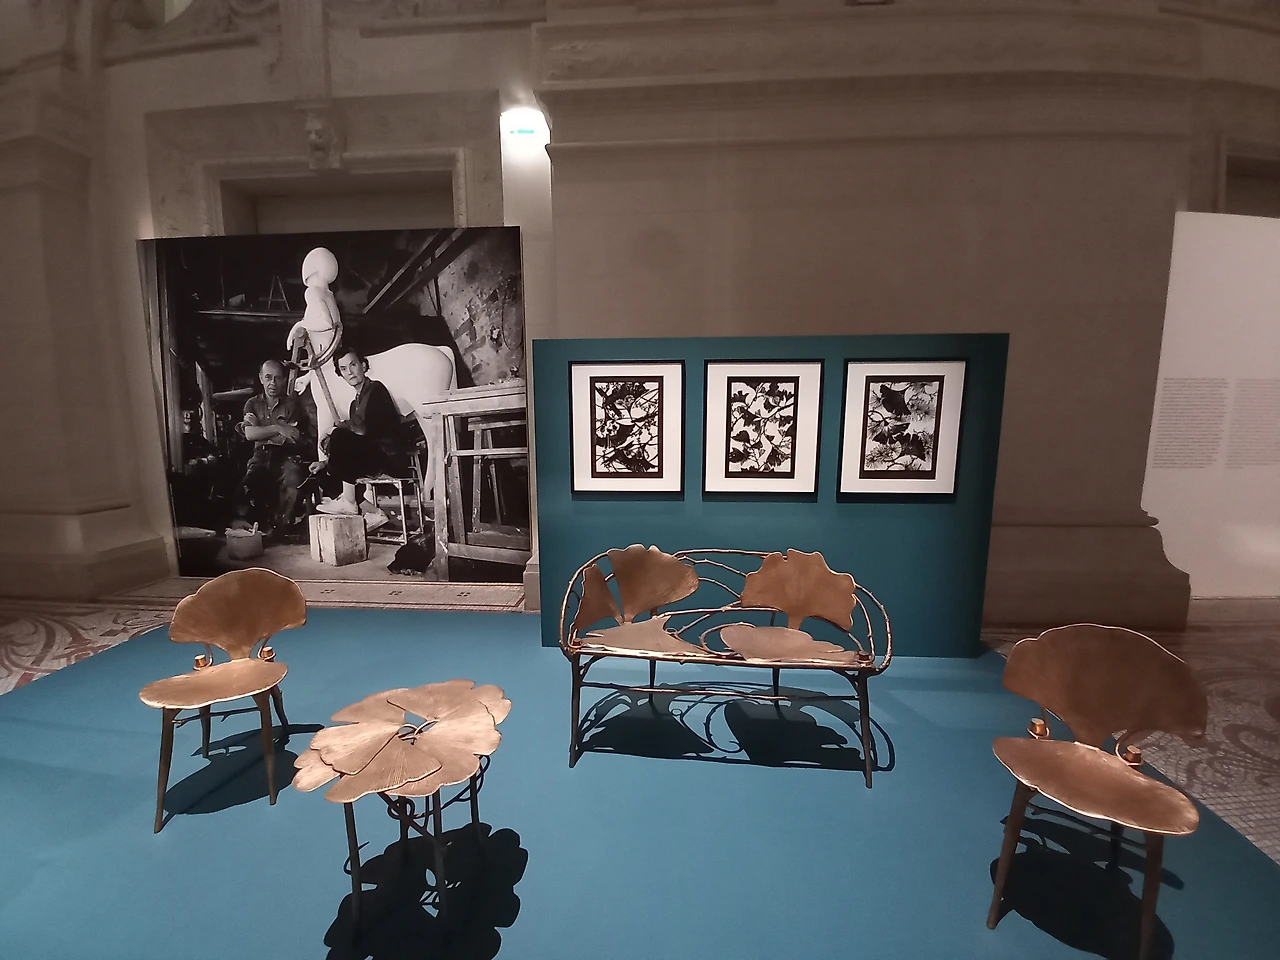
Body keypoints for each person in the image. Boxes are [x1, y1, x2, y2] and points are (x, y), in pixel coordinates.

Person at [312, 349, 408, 527]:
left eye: (353, 364)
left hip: (388, 457)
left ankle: (349, 502)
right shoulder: (354, 404)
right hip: (370, 457)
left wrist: (333, 430)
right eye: (343, 369)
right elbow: (355, 444)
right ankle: (374, 513)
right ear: (340, 374)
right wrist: (325, 462)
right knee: (323, 474)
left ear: (363, 366)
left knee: (339, 435)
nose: (349, 372)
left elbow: (361, 429)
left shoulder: (375, 389)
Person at [234, 359, 313, 534]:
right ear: (261, 378)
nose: (273, 383)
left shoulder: (292, 404)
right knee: (248, 488)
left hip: (286, 455)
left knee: (293, 481)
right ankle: (261, 526)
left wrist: (260, 430)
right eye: (268, 377)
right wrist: (278, 428)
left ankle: (282, 528)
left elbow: (292, 437)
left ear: (284, 380)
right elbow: (250, 434)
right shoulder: (252, 404)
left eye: (278, 378)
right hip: (260, 456)